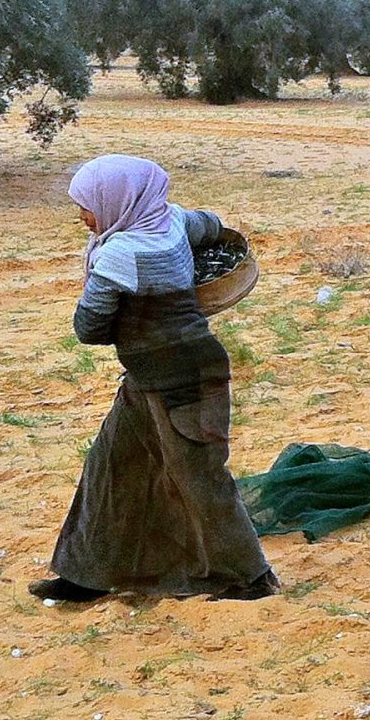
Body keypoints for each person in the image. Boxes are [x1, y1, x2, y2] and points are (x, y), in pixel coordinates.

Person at [30, 154, 278, 602]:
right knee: (111, 468)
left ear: (117, 202)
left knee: (200, 478)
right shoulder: (171, 221)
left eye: (88, 207)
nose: (85, 218)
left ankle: (252, 579)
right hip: (152, 376)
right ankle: (85, 575)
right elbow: (212, 223)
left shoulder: (121, 254)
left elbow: (89, 328)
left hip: (183, 381)